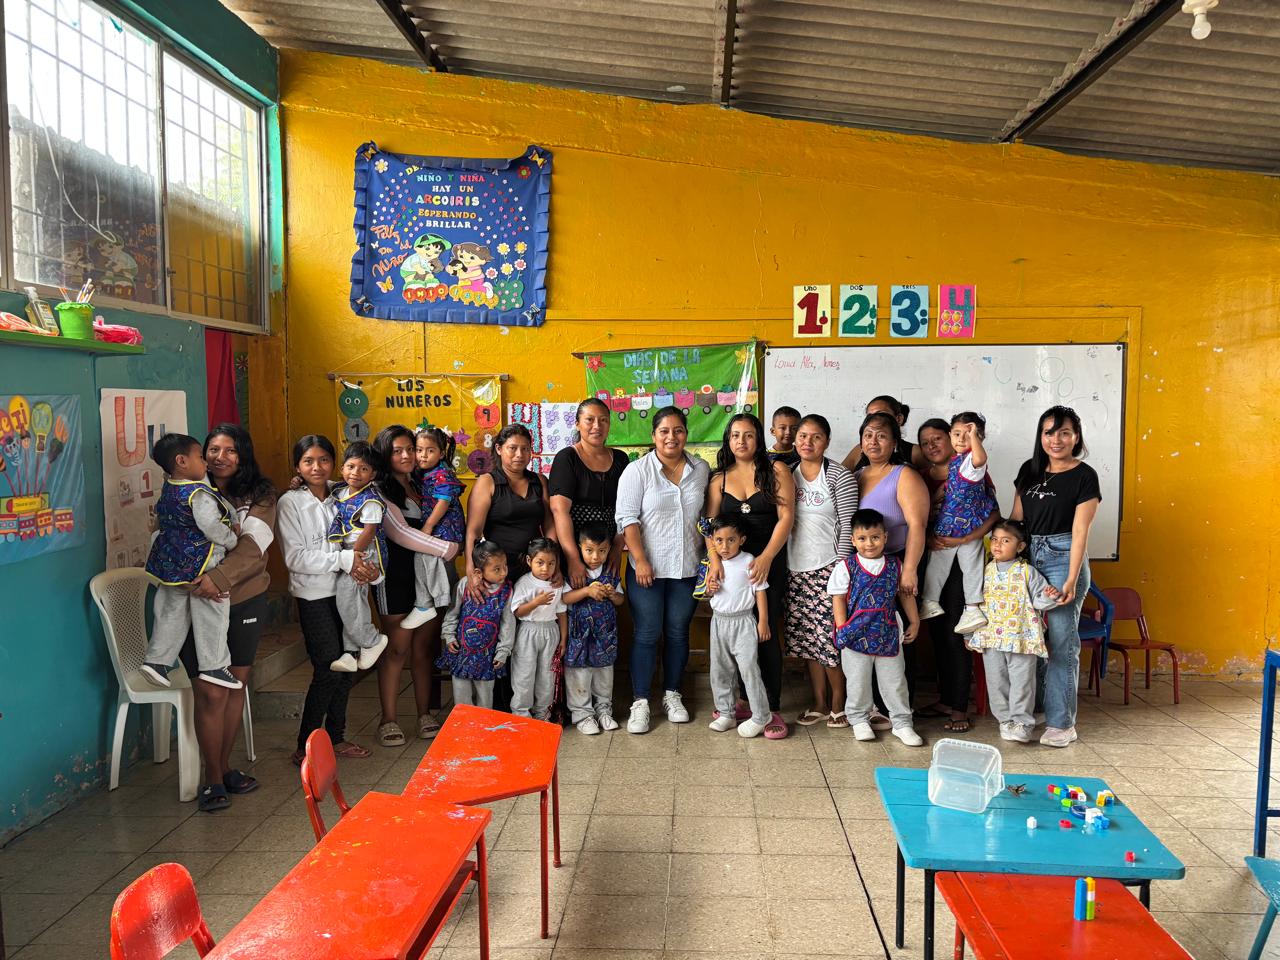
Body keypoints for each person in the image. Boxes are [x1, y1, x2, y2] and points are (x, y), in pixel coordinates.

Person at [178, 425, 276, 812]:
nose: (221, 457)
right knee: (211, 691)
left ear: (243, 454)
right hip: (197, 603)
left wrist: (217, 579)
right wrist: (201, 582)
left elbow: (254, 547)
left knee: (235, 686)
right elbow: (170, 539)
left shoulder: (261, 494)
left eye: (231, 450)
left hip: (244, 600)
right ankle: (213, 777)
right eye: (213, 450)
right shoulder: (186, 490)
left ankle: (222, 769)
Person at [277, 435, 374, 765]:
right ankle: (304, 745)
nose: (316, 467)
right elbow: (296, 558)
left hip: (348, 593)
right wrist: (345, 560)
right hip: (314, 596)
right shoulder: (290, 503)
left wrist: (362, 565)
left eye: (324, 460)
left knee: (348, 667)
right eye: (308, 461)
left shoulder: (342, 493)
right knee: (328, 668)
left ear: (334, 463)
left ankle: (336, 737)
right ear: (297, 467)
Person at [1011, 406, 1100, 748]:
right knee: (1027, 639)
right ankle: (1030, 712)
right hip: (1029, 554)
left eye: (1064, 433)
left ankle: (1062, 723)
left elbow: (1080, 532)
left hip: (1064, 557)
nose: (1056, 440)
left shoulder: (1084, 476)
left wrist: (1071, 579)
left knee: (1062, 642)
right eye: (1049, 432)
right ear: (1041, 436)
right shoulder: (1029, 470)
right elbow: (1017, 520)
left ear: (1076, 437)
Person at [615, 406, 708, 734]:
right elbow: (627, 519)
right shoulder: (637, 471)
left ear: (686, 434)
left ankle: (672, 694)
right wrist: (640, 559)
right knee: (647, 632)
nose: (672, 437)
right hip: (647, 570)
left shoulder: (701, 469)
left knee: (678, 632)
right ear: (654, 436)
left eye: (678, 430)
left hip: (687, 568)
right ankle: (640, 701)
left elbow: (706, 518)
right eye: (664, 431)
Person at [702, 413, 795, 739]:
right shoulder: (719, 479)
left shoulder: (777, 470)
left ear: (759, 439)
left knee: (763, 632)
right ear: (728, 440)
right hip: (731, 565)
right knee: (734, 637)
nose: (741, 441)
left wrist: (767, 557)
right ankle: (743, 702)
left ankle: (771, 707)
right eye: (735, 435)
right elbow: (708, 527)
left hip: (768, 561)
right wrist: (715, 561)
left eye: (749, 435)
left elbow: (786, 517)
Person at [371, 425, 458, 747]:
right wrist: (449, 549)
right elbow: (400, 533)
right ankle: (388, 720)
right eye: (398, 451)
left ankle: (424, 714)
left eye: (411, 448)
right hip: (395, 577)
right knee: (397, 648)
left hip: (427, 578)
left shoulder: (423, 481)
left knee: (424, 648)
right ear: (384, 455)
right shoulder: (378, 489)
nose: (408, 455)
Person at [915, 419, 999, 734]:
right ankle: (946, 699)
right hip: (933, 560)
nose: (932, 446)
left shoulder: (970, 468)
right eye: (925, 442)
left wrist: (965, 538)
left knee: (957, 635)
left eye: (937, 439)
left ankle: (959, 708)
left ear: (950, 439)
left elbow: (993, 513)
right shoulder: (921, 477)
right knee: (938, 634)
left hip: (963, 564)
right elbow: (914, 519)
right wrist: (928, 537)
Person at [140, 433, 241, 690]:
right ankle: (214, 665)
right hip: (202, 562)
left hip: (171, 562)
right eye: (200, 457)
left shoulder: (169, 488)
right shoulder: (198, 493)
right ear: (182, 461)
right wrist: (232, 541)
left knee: (169, 612)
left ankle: (157, 662)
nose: (206, 462)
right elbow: (210, 526)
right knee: (213, 609)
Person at [854, 411, 930, 724]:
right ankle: (872, 707)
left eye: (882, 436)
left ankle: (898, 710)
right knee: (869, 633)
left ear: (895, 442)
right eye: (868, 435)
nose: (874, 442)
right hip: (865, 569)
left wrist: (909, 569)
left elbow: (918, 525)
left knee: (898, 637)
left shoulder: (904, 475)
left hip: (897, 564)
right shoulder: (857, 475)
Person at [785, 414, 858, 729]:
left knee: (829, 641)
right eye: (802, 436)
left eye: (815, 437)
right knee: (808, 642)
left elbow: (849, 526)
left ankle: (839, 704)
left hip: (829, 569)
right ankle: (818, 703)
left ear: (826, 441)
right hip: (795, 569)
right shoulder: (788, 474)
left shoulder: (839, 476)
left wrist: (841, 570)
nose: (807, 442)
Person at [829, 509, 923, 746]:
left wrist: (914, 621)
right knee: (857, 681)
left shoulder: (895, 565)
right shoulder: (846, 566)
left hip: (887, 634)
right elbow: (838, 598)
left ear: (885, 537)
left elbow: (905, 595)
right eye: (862, 538)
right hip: (855, 636)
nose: (869, 543)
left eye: (875, 537)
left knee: (895, 681)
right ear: (852, 540)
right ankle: (859, 720)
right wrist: (842, 628)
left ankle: (902, 723)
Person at [965, 520, 1060, 743]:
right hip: (991, 638)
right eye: (994, 539)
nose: (997, 545)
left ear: (1020, 546)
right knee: (996, 682)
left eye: (1005, 540)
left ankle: (1022, 723)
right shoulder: (984, 571)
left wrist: (1049, 596)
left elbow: (1039, 601)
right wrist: (969, 634)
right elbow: (973, 605)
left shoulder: (1027, 572)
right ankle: (1005, 721)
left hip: (1021, 638)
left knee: (1022, 683)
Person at [919, 412, 997, 635]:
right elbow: (949, 486)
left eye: (969, 434)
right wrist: (935, 498)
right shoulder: (956, 463)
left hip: (969, 527)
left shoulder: (973, 461)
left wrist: (974, 437)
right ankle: (930, 600)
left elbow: (980, 459)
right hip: (946, 527)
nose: (962, 438)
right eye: (957, 434)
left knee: (971, 567)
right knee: (936, 565)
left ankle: (972, 608)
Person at [465, 424, 557, 591]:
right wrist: (471, 569)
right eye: (513, 448)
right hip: (497, 571)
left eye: (525, 449)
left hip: (535, 569)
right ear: (499, 449)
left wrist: (554, 563)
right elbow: (474, 532)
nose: (519, 454)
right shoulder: (487, 482)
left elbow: (549, 526)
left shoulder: (540, 481)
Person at [548, 398, 629, 587]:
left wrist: (617, 547)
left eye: (603, 420)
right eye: (590, 420)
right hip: (575, 551)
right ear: (577, 424)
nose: (597, 426)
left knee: (607, 598)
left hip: (606, 553)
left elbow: (627, 508)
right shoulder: (566, 458)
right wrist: (573, 559)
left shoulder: (621, 459)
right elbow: (559, 511)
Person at [705, 518, 772, 738]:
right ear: (712, 541)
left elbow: (760, 591)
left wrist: (763, 621)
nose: (724, 546)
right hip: (718, 622)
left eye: (731, 540)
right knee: (720, 671)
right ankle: (726, 713)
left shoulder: (749, 561)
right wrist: (710, 589)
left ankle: (761, 715)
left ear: (741, 540)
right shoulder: (712, 562)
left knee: (749, 670)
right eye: (719, 540)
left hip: (743, 623)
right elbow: (707, 592)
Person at [326, 441, 390, 672]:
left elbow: (369, 531)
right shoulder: (340, 490)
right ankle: (351, 653)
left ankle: (372, 640)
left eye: (363, 469)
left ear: (373, 474)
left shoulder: (370, 499)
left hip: (364, 551)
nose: (355, 473)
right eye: (351, 466)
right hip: (349, 552)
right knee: (353, 600)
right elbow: (325, 483)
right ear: (342, 468)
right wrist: (298, 481)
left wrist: (353, 556)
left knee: (347, 597)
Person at [437, 540, 515, 710]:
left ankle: (483, 724)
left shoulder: (506, 592)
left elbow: (508, 624)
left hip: (487, 657)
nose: (503, 572)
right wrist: (449, 636)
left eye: (505, 566)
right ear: (479, 571)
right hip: (461, 653)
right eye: (497, 569)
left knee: (485, 699)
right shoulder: (464, 586)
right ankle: (463, 723)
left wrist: (503, 651)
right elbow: (452, 613)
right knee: (462, 697)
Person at [561, 522, 623, 734]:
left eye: (602, 551)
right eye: (589, 550)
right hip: (579, 636)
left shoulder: (611, 572)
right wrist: (587, 591)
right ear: (579, 547)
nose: (595, 557)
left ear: (609, 549)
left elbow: (621, 600)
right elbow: (565, 598)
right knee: (580, 674)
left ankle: (604, 709)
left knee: (604, 674)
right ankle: (583, 715)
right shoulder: (573, 573)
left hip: (604, 636)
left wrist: (613, 594)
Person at [401, 427, 463, 629]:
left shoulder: (443, 474)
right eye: (419, 450)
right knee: (423, 557)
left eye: (430, 451)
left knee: (425, 555)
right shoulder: (425, 471)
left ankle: (429, 603)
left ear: (441, 453)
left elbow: (444, 501)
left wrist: (428, 526)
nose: (423, 455)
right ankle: (428, 603)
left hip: (446, 527)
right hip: (438, 526)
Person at [501, 538, 567, 720]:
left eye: (551, 563)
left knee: (547, 676)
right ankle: (521, 713)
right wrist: (536, 602)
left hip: (551, 631)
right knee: (524, 674)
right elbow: (517, 612)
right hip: (528, 632)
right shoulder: (524, 583)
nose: (546, 568)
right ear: (529, 561)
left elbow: (562, 613)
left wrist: (563, 639)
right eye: (540, 562)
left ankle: (542, 713)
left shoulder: (557, 584)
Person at [842, 395, 928, 471]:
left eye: (881, 415)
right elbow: (837, 477)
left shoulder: (914, 453)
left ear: (899, 419)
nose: (874, 420)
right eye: (869, 416)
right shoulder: (859, 450)